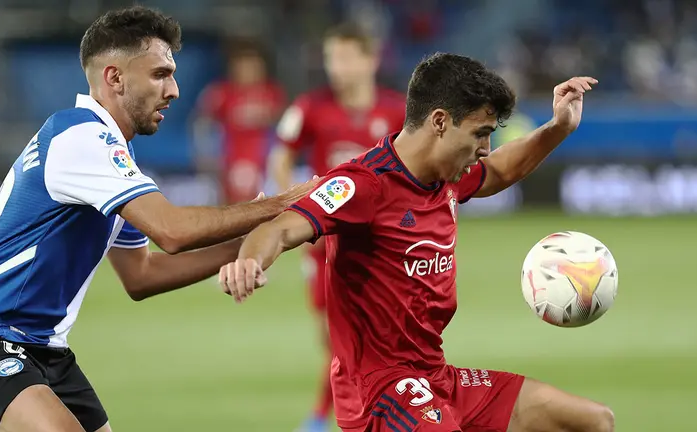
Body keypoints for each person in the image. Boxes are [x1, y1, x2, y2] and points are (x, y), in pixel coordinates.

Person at [0, 7, 314, 432]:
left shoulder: (113, 160)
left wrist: (255, 242)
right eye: (160, 74)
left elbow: (141, 274)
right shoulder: (80, 137)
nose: (175, 90)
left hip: (45, 346)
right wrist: (280, 205)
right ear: (114, 77)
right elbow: (173, 231)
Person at [220, 53, 615, 432]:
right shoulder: (363, 184)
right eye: (480, 134)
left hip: (434, 377)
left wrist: (559, 126)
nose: (485, 149)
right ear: (440, 121)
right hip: (378, 391)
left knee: (594, 422)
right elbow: (282, 227)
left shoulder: (447, 176)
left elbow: (498, 171)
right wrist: (251, 260)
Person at [271, 22, 405, 431]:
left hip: (385, 242)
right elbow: (281, 157)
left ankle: (326, 417)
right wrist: (295, 205)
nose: (337, 67)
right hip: (326, 241)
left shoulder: (398, 110)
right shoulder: (311, 107)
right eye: (331, 58)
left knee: (375, 336)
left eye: (346, 57)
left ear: (371, 60)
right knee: (335, 339)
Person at [192, 39, 285, 204]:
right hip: (230, 159)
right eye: (243, 65)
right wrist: (204, 154)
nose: (248, 70)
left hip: (263, 161)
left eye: (253, 65)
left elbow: (285, 127)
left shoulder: (272, 93)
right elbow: (201, 123)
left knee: (262, 206)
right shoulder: (220, 93)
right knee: (231, 206)